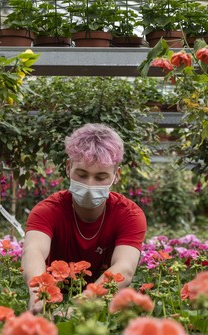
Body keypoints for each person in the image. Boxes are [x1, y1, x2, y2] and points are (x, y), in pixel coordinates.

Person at [22, 124, 147, 313]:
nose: (89, 184)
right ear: (68, 168)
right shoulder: (46, 211)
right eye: (82, 174)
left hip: (103, 305)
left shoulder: (129, 215)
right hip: (52, 298)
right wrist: (40, 294)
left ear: (116, 175)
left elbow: (125, 267)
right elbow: (33, 251)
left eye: (101, 177)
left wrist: (80, 306)